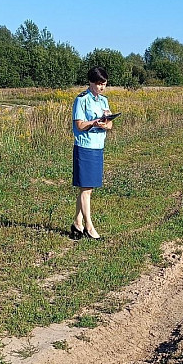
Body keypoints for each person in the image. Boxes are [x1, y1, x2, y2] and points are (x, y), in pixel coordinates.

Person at [70, 66, 114, 240]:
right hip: (85, 146)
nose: (101, 87)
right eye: (98, 84)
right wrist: (95, 123)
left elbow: (109, 124)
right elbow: (79, 125)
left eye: (104, 84)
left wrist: (106, 124)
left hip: (98, 146)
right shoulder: (81, 100)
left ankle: (77, 223)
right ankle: (89, 226)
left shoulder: (103, 101)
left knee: (88, 188)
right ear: (91, 82)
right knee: (86, 188)